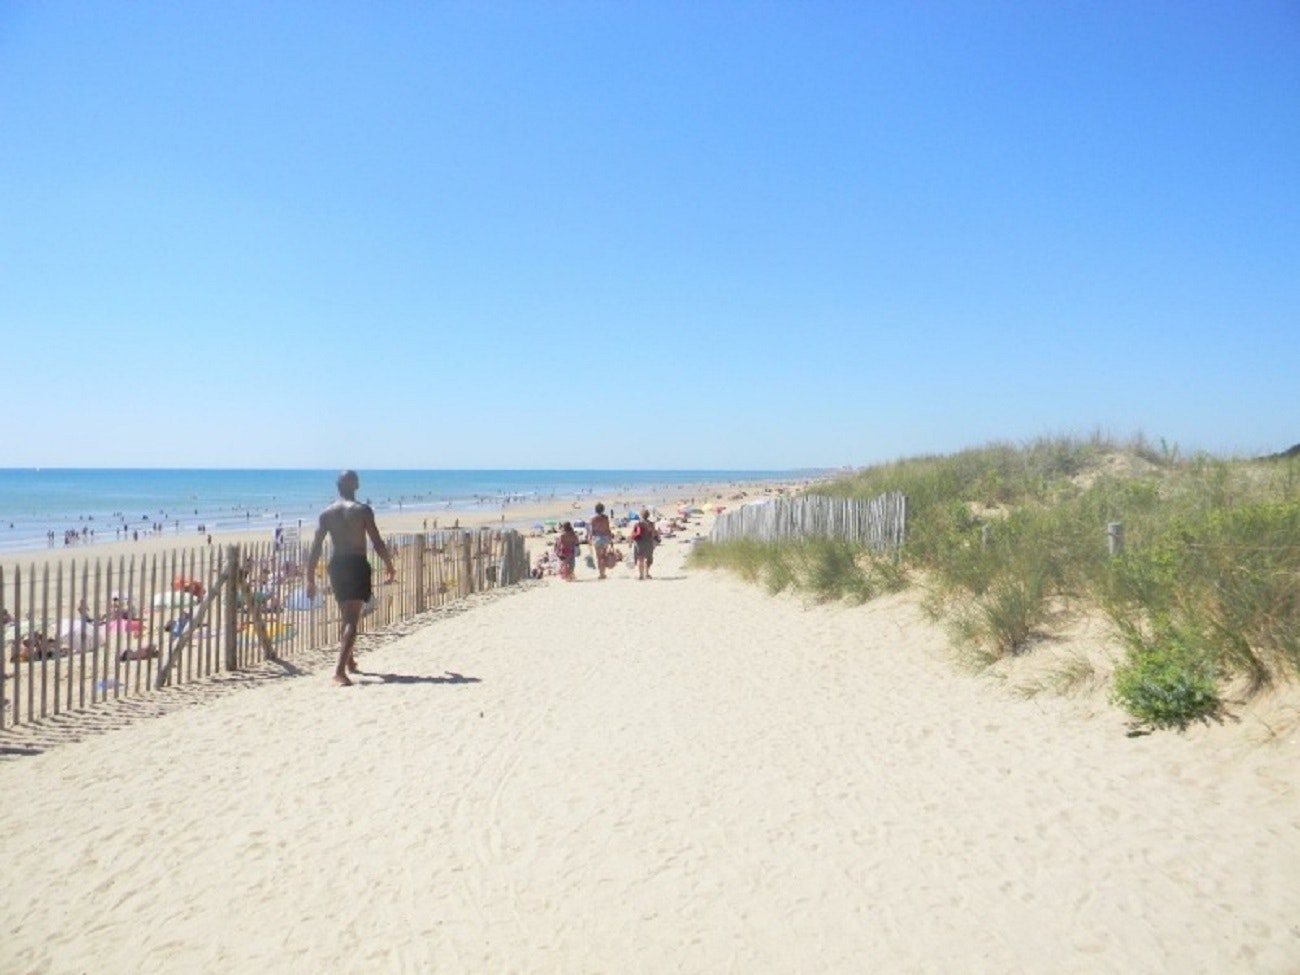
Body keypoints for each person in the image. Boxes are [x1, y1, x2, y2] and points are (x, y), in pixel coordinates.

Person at [306, 470, 396, 685]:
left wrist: (309, 577)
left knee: (345, 615)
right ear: (356, 485)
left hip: (337, 565)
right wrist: (389, 565)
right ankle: (339, 671)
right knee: (352, 619)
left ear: (337, 486)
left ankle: (350, 662)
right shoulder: (362, 510)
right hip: (356, 564)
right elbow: (377, 542)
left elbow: (316, 547)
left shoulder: (327, 513)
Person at [632, 508, 660, 580]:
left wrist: (631, 541)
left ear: (641, 515)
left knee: (640, 559)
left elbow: (633, 533)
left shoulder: (638, 523)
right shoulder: (650, 524)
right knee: (649, 559)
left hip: (639, 542)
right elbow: (653, 533)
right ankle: (647, 573)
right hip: (648, 542)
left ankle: (641, 575)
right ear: (648, 515)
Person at [589, 502, 614, 579]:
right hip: (605, 538)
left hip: (597, 538)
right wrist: (611, 539)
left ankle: (601, 574)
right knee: (603, 556)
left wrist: (589, 539)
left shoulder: (593, 519)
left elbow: (592, 531)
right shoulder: (605, 518)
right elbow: (607, 529)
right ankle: (603, 573)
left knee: (599, 557)